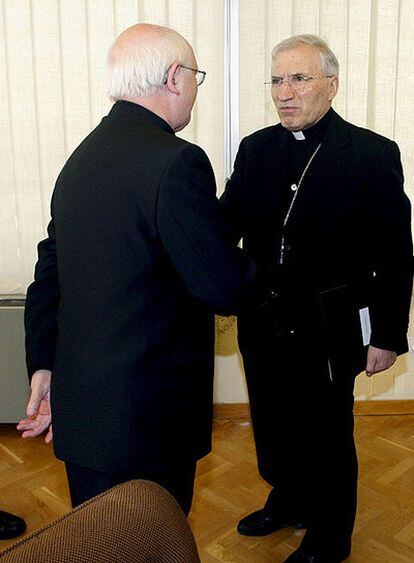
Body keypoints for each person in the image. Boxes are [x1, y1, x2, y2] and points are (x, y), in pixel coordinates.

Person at [17, 23, 254, 516]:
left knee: (99, 539)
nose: (194, 90)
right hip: (147, 419)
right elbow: (221, 287)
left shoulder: (81, 157)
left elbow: (49, 273)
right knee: (153, 541)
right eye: (196, 77)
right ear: (174, 77)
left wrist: (42, 363)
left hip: (85, 412)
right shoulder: (176, 161)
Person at [221, 34, 412, 563]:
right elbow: (225, 224)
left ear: (332, 84)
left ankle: (331, 536)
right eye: (278, 80)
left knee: (327, 434)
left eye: (299, 79)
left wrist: (389, 336)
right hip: (263, 319)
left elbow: (396, 255)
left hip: (329, 326)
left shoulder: (372, 154)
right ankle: (287, 500)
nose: (285, 92)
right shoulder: (256, 148)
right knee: (272, 422)